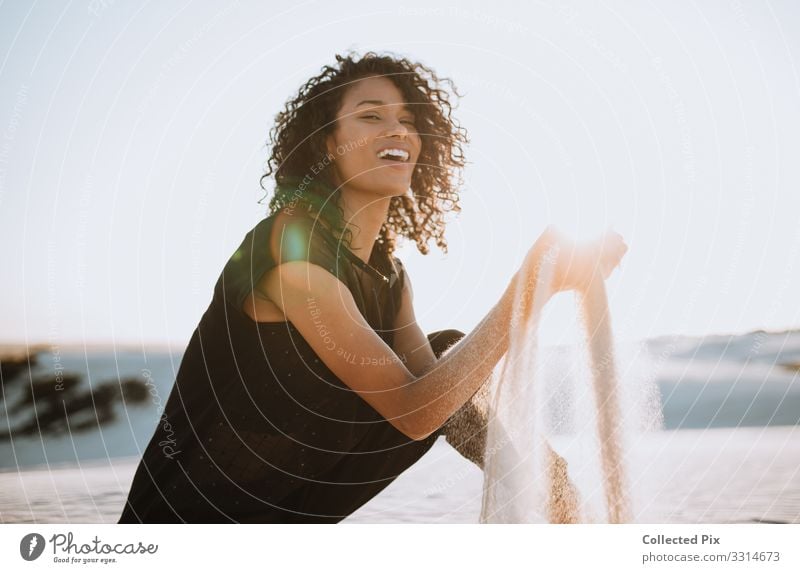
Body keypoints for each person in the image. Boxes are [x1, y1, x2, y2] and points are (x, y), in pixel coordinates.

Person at [118, 51, 627, 524]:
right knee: (446, 362)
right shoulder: (289, 245)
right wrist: (526, 289)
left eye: (408, 120)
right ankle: (569, 516)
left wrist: (549, 286)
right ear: (327, 142)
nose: (397, 130)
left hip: (279, 523)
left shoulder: (387, 273)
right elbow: (415, 414)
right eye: (371, 116)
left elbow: (439, 396)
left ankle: (568, 512)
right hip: (188, 521)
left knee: (448, 355)